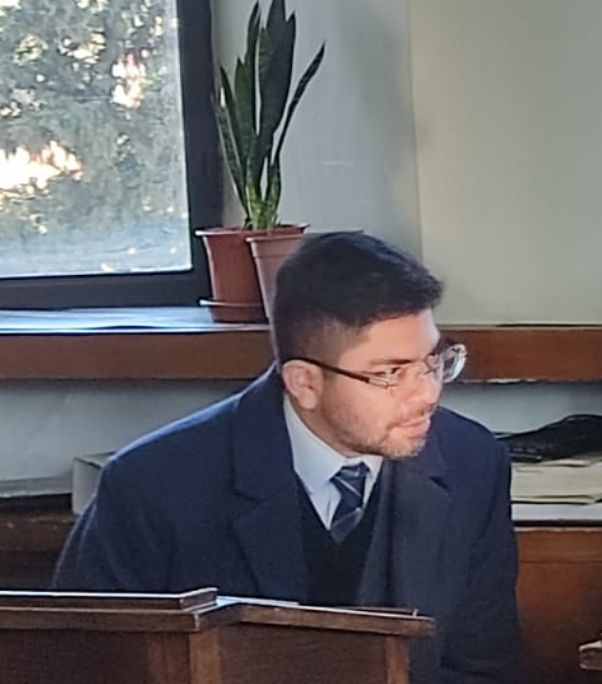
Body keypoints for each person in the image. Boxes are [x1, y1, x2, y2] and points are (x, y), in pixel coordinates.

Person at [55, 232, 518, 683]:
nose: (428, 394)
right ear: (304, 383)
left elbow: (480, 668)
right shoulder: (151, 487)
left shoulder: (473, 463)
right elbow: (88, 668)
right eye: (391, 374)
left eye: (433, 361)